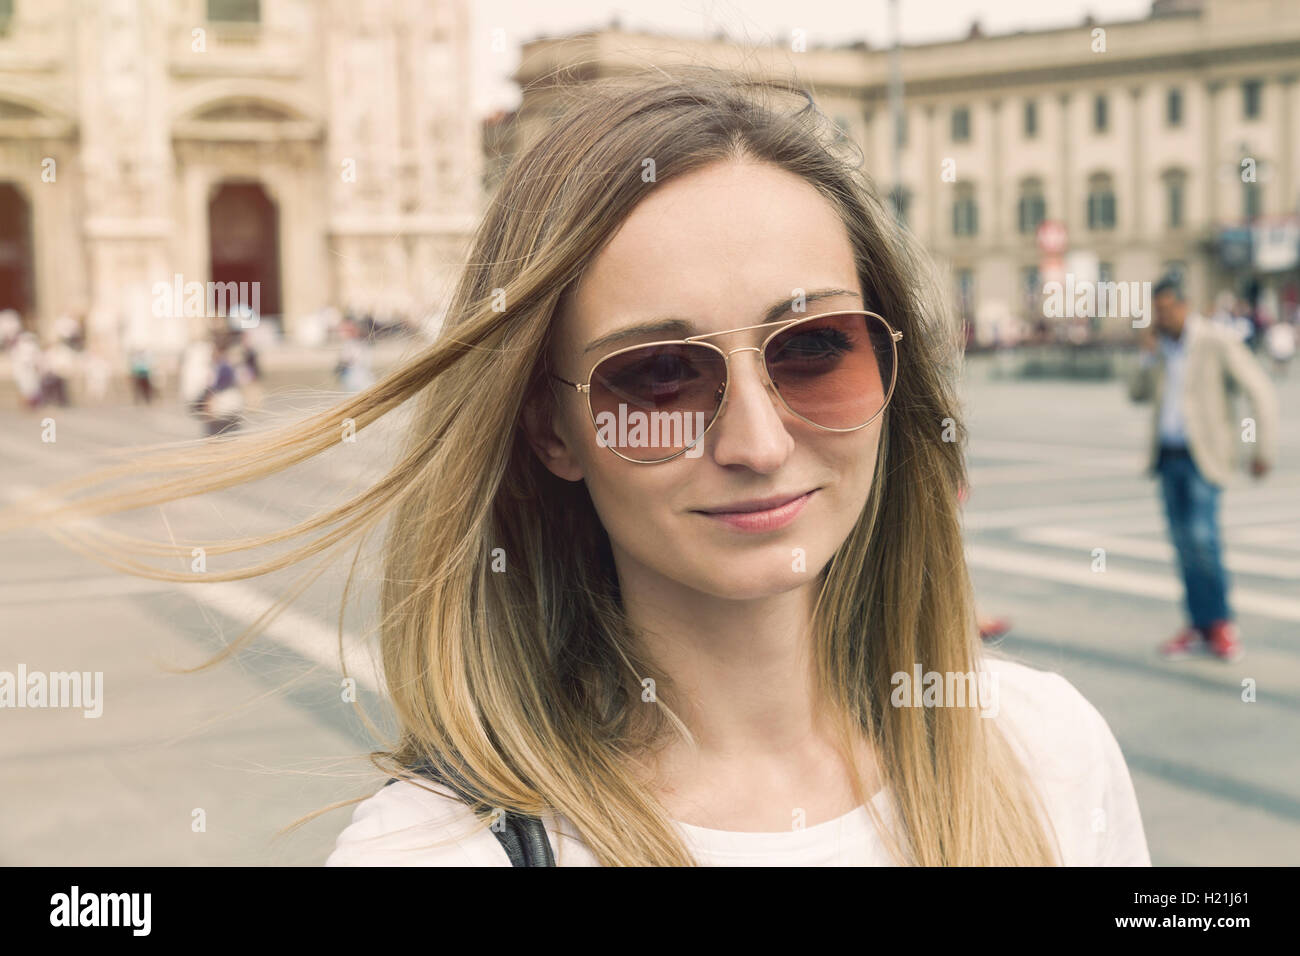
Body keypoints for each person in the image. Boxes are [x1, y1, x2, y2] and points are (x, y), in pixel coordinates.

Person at [0, 68, 1150, 866]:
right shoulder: (439, 855)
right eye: (655, 378)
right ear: (548, 428)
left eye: (812, 350)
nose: (753, 440)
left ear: (893, 369)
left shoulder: (1041, 751)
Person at [1129, 276, 1279, 663]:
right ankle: (1197, 624)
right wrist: (1145, 354)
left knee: (1202, 539)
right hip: (1167, 456)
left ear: (1183, 305)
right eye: (1155, 311)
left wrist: (1262, 448)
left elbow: (1259, 389)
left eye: (1165, 309)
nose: (1160, 317)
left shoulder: (1214, 340)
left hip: (1203, 458)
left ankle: (1221, 624)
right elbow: (1137, 394)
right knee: (1183, 543)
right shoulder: (1159, 347)